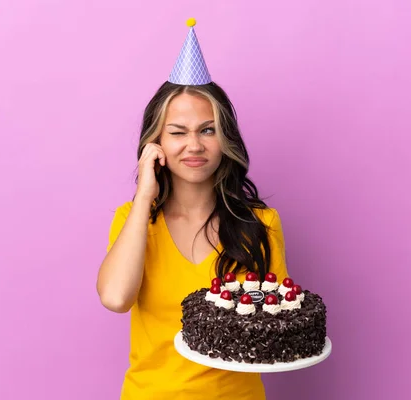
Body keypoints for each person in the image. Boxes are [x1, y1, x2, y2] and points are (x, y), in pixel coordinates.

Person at [96, 18, 290, 400]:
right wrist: (144, 198)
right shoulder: (132, 221)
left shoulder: (261, 223)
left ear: (225, 138)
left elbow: (277, 324)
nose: (194, 146)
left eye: (207, 129)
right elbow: (116, 298)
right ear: (156, 143)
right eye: (178, 132)